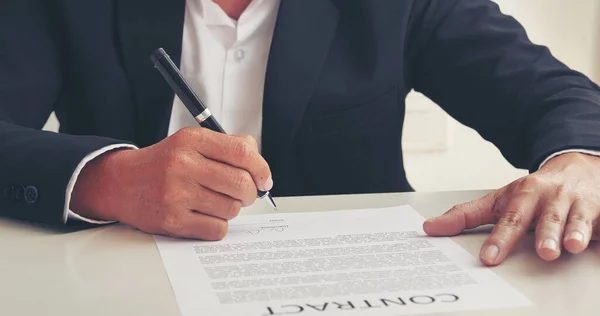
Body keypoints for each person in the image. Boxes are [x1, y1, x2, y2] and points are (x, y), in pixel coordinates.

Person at [2, 0, 600, 267]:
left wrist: (578, 162)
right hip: (115, 281)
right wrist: (105, 179)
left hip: (350, 283)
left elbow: (552, 93)